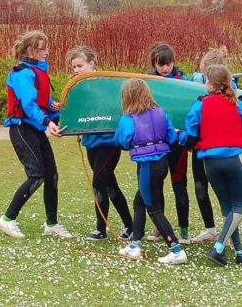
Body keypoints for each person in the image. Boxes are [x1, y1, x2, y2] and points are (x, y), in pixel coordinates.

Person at [179, 64, 242, 266]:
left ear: (208, 83)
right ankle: (219, 247)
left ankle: (239, 252)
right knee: (238, 206)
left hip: (209, 163)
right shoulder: (240, 105)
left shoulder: (199, 106)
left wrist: (179, 135)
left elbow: (190, 138)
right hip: (232, 160)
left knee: (227, 208)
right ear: (229, 82)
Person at [0, 30, 72, 239]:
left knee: (52, 175)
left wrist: (53, 107)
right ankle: (7, 219)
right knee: (36, 174)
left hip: (35, 129)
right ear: (31, 50)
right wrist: (47, 121)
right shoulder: (22, 73)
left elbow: (41, 101)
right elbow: (28, 105)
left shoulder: (38, 71)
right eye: (43, 48)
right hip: (21, 129)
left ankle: (51, 224)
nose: (47, 52)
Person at [114, 78, 187, 264]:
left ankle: (175, 248)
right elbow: (171, 136)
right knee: (139, 202)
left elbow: (122, 141)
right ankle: (135, 244)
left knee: (153, 208)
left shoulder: (128, 118)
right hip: (162, 163)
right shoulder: (161, 113)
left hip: (146, 165)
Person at [67, 46, 133, 240]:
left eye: (80, 65)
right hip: (91, 142)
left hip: (108, 142)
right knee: (110, 185)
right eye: (74, 67)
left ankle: (100, 229)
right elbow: (76, 111)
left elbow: (115, 106)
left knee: (98, 182)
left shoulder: (106, 83)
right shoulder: (77, 87)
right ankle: (130, 225)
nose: (76, 70)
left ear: (91, 63)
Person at [187, 46, 237, 243]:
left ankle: (231, 232)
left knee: (227, 193)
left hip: (221, 149)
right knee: (200, 187)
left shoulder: (231, 91)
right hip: (200, 147)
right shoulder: (195, 85)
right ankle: (210, 229)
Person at [147, 42, 190, 243]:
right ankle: (159, 226)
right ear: (154, 64)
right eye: (161, 64)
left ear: (173, 62)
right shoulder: (147, 82)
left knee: (179, 185)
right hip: (157, 143)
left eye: (168, 64)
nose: (165, 68)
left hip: (179, 144)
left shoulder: (184, 81)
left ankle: (184, 230)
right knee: (157, 185)